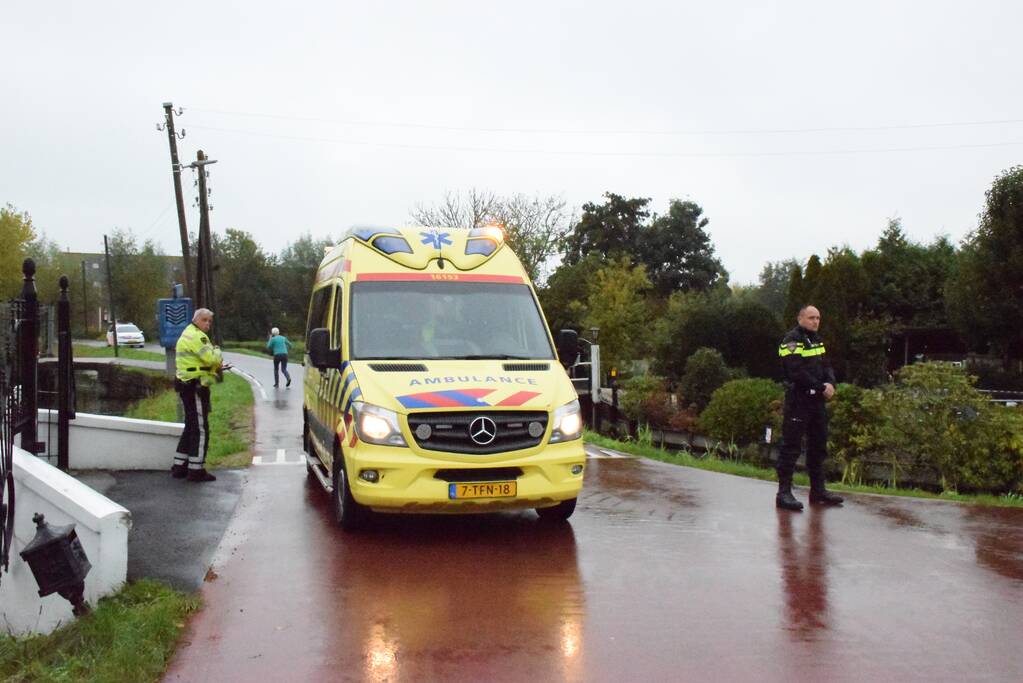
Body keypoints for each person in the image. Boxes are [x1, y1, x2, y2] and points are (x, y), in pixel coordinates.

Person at [776, 305, 844, 511]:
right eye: (811, 317)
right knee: (791, 446)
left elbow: (827, 366)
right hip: (799, 400)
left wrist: (831, 383)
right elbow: (795, 371)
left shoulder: (817, 340)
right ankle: (784, 493)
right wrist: (820, 386)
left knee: (818, 446)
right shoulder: (791, 341)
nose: (815, 321)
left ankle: (818, 491)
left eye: (818, 318)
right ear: (800, 319)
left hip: (817, 403)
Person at [172, 308, 228, 483]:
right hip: (195, 386)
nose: (208, 324)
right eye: (205, 320)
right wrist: (217, 351)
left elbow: (198, 362)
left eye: (209, 321)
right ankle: (196, 470)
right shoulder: (198, 336)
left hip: (186, 384)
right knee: (201, 429)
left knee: (190, 426)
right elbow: (211, 359)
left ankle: (179, 466)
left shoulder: (187, 333)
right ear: (196, 320)